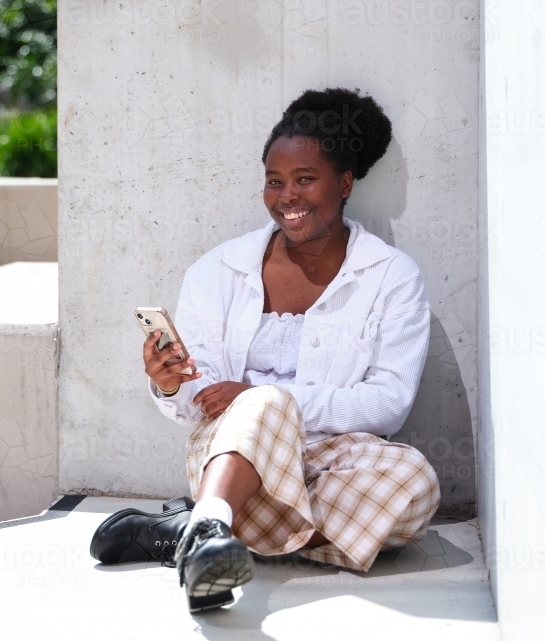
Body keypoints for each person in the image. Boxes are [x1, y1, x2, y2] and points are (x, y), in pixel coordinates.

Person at [90, 87, 440, 614]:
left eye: (305, 180)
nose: (286, 197)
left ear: (344, 183)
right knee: (265, 404)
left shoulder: (391, 277)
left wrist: (265, 393)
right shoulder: (218, 270)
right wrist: (169, 382)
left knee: (414, 486)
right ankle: (212, 526)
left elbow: (389, 404)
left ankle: (196, 528)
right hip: (228, 451)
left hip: (337, 459)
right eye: (274, 182)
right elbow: (197, 403)